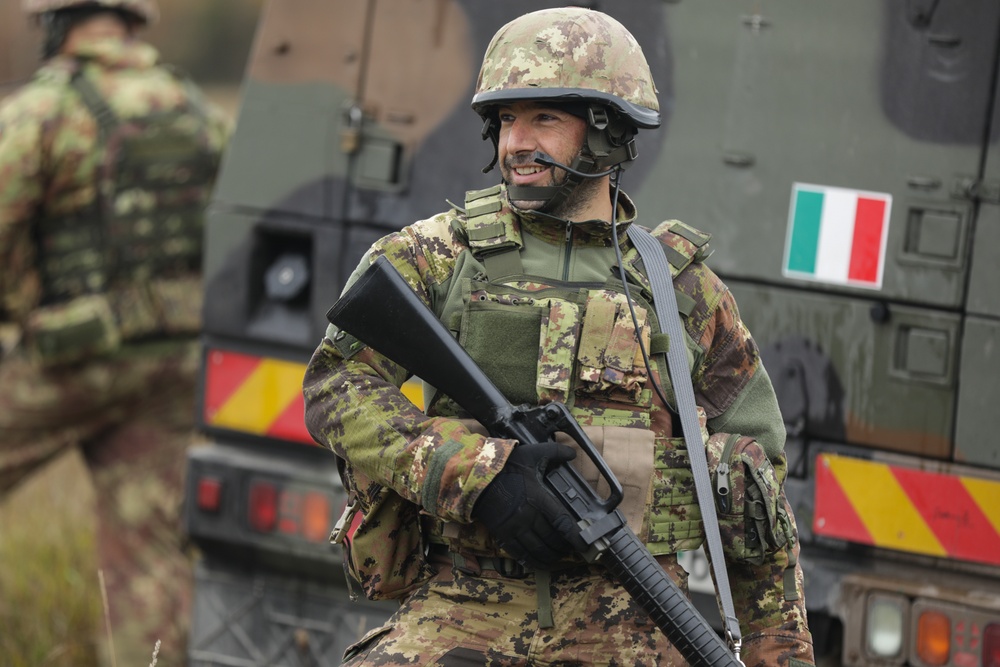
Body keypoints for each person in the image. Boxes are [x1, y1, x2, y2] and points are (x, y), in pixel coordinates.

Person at [303, 7, 814, 667]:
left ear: (606, 133)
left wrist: (781, 655)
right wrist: (477, 472)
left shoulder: (682, 290)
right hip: (463, 610)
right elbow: (334, 386)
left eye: (543, 118)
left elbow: (757, 502)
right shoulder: (437, 256)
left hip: (636, 621)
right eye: (506, 120)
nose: (516, 142)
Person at [0, 0, 229, 664]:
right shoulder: (193, 108)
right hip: (172, 364)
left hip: (73, 356)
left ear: (56, 22)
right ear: (131, 21)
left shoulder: (46, 108)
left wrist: (22, 304)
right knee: (148, 557)